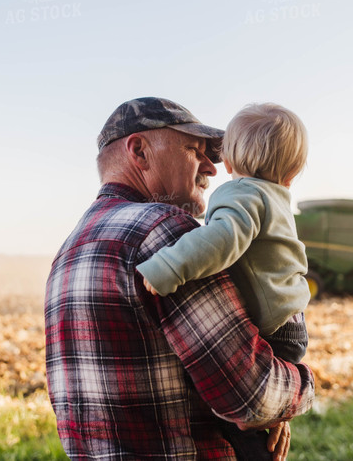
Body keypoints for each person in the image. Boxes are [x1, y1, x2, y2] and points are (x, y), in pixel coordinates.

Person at [45, 97, 315, 460]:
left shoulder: (69, 251)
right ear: (139, 151)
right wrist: (304, 385)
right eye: (195, 150)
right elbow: (251, 396)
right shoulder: (169, 235)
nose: (212, 168)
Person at [136, 102, 310, 459]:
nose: (212, 168)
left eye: (215, 156)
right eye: (194, 151)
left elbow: (221, 239)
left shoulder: (242, 193)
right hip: (288, 323)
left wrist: (168, 267)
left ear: (229, 164)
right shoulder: (275, 198)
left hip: (273, 326)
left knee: (245, 424)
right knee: (254, 421)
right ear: (292, 174)